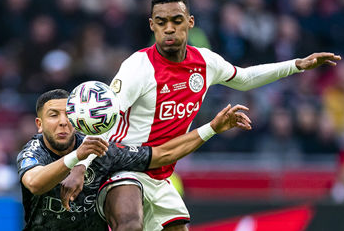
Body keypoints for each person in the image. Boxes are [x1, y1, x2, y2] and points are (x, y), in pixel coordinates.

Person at [68, 0, 341, 231]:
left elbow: (244, 78)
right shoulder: (137, 67)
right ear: (152, 25)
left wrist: (297, 65)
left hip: (161, 175)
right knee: (130, 223)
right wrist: (80, 167)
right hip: (123, 165)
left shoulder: (205, 62)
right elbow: (104, 121)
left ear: (190, 22)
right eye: (161, 23)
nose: (170, 29)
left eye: (177, 21)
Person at [17, 89, 251, 230]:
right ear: (39, 124)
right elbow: (35, 183)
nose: (62, 121)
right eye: (53, 115)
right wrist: (77, 158)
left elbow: (161, 154)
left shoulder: (99, 148)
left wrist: (211, 128)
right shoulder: (33, 151)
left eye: (68, 114)